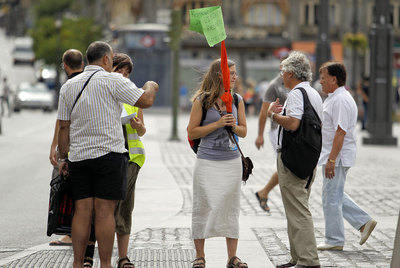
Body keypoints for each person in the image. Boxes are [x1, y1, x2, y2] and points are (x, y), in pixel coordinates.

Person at [57, 41, 158, 268]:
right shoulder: (113, 80)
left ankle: (77, 263)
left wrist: (63, 158)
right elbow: (146, 100)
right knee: (104, 213)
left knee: (82, 211)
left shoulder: (68, 86)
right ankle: (105, 264)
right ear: (105, 59)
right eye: (111, 59)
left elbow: (64, 127)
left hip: (79, 157)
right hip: (109, 156)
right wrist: (150, 85)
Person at [187, 58, 248, 268]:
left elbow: (244, 131)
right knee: (202, 207)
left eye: (235, 73)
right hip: (206, 162)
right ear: (219, 74)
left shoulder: (237, 99)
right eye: (231, 73)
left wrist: (233, 126)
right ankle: (200, 256)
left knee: (231, 209)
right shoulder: (202, 101)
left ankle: (232, 257)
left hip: (231, 163)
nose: (235, 77)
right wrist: (218, 123)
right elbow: (192, 131)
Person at [268, 51, 322, 268]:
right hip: (307, 158)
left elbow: (292, 124)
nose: (281, 76)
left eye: (282, 71)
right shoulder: (312, 93)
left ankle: (308, 260)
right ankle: (298, 256)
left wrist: (274, 115)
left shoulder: (298, 94)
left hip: (294, 159)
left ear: (291, 73)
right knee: (295, 209)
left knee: (298, 211)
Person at [317, 62, 377, 251]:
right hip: (334, 154)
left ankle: (335, 239)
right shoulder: (335, 97)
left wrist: (332, 160)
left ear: (334, 79)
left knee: (331, 197)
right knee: (333, 194)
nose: (320, 82)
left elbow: (341, 132)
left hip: (338, 156)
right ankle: (363, 222)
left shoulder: (341, 100)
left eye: (323, 78)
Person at [254, 75, 289, 212]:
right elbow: (264, 111)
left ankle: (264, 192)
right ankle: (265, 192)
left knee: (287, 167)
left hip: (291, 130)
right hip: (277, 130)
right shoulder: (274, 86)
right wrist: (260, 135)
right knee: (285, 166)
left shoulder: (299, 82)